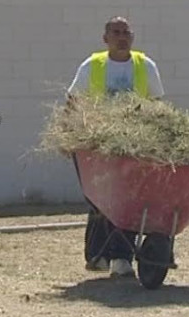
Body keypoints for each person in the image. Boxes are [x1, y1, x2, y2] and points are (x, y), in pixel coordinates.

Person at [67, 16, 165, 277]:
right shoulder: (92, 66)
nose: (122, 37)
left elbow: (158, 105)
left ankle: (121, 257)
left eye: (126, 32)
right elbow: (73, 102)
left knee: (129, 199)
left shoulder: (145, 66)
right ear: (105, 38)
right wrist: (70, 136)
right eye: (116, 32)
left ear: (132, 37)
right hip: (96, 143)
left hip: (135, 143)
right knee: (99, 200)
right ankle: (97, 255)